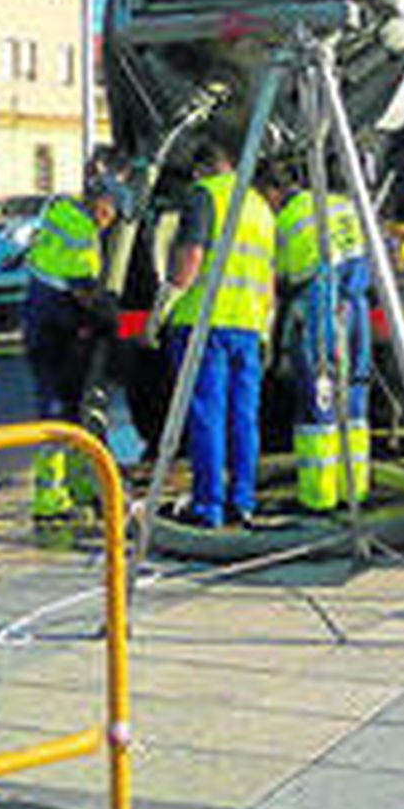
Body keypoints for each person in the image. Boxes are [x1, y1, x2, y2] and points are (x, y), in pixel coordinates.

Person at [146, 140, 275, 529]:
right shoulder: (260, 207)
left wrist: (163, 306)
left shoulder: (204, 196)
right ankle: (243, 500)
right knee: (244, 418)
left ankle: (209, 506)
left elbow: (190, 261)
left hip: (204, 325)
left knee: (207, 416)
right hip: (248, 326)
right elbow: (269, 279)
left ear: (201, 170)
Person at [262, 159, 372, 512]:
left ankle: (317, 497)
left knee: (317, 402)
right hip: (357, 308)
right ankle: (354, 489)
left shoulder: (286, 220)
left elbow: (278, 279)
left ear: (273, 192)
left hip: (318, 307)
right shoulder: (342, 204)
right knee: (354, 399)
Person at [23, 168, 131, 523]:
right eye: (111, 211)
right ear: (102, 203)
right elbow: (85, 293)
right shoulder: (82, 233)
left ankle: (76, 486)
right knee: (57, 413)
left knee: (69, 410)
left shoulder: (61, 213)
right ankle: (50, 499)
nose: (109, 220)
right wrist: (128, 322)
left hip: (46, 326)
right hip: (56, 332)